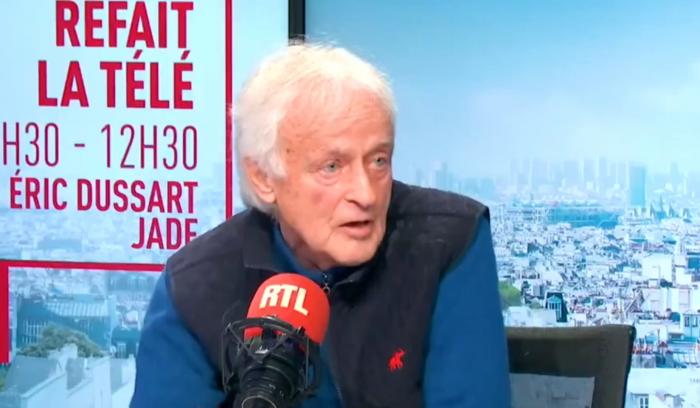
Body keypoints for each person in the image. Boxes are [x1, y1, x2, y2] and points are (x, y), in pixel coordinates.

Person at [130, 43, 511, 407]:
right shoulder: (195, 286)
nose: (366, 193)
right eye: (332, 167)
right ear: (263, 176)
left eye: (378, 160)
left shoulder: (448, 242)